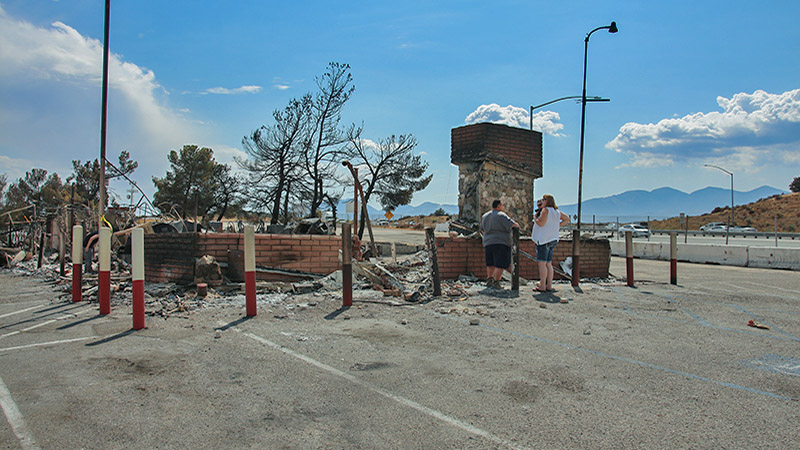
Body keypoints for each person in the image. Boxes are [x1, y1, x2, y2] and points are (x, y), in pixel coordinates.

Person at [531, 194, 570, 292]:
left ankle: (542, 285)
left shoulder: (546, 210)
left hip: (544, 239)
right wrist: (556, 226)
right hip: (553, 239)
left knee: (542, 264)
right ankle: (549, 285)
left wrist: (535, 218)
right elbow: (567, 219)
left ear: (547, 201)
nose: (542, 201)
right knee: (549, 264)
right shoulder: (556, 212)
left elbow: (541, 223)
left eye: (543, 199)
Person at [480, 199, 519, 289]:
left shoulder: (485, 216)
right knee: (500, 263)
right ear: (498, 206)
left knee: (490, 263)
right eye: (502, 205)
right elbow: (513, 225)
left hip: (488, 242)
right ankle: (496, 281)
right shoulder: (501, 215)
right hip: (501, 242)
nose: (503, 207)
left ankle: (489, 279)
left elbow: (482, 229)